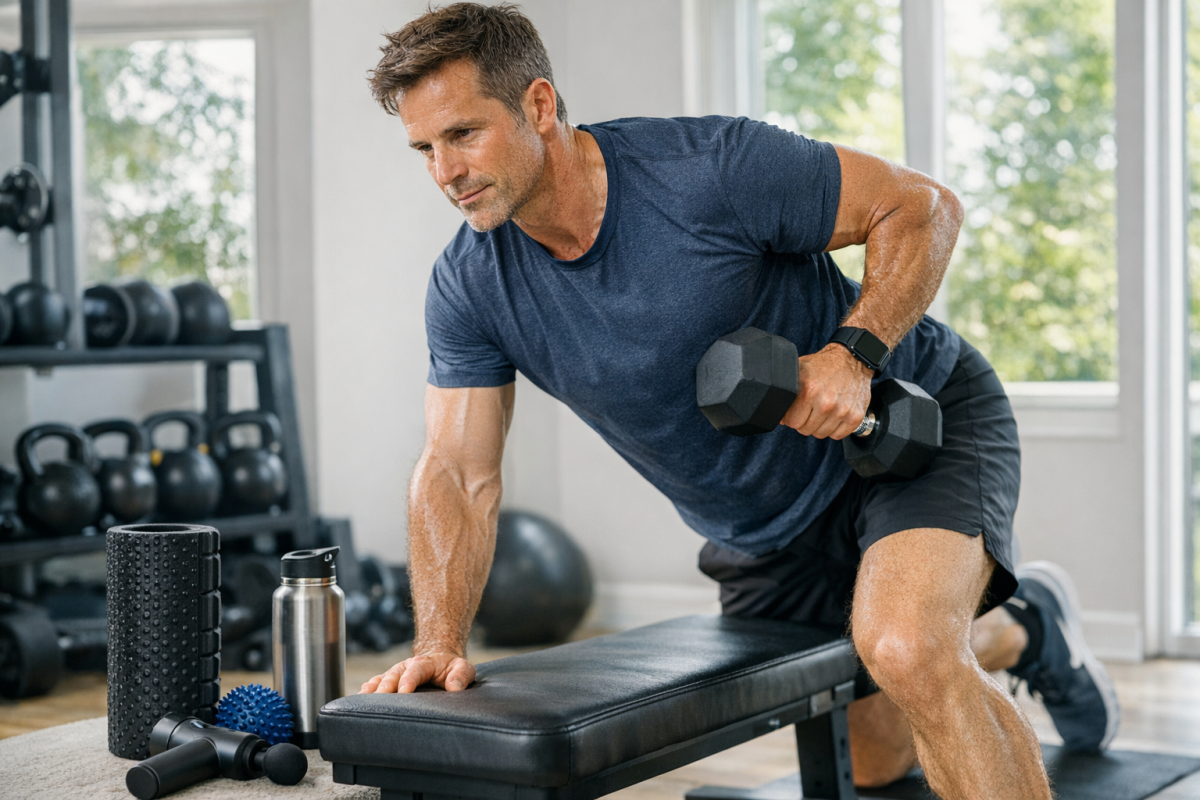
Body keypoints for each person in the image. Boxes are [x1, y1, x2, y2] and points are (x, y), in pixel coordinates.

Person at [356, 4, 1119, 796]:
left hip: (902, 423)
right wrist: (438, 639)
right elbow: (456, 470)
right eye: (425, 148)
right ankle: (1022, 630)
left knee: (906, 649)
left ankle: (944, 641)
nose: (445, 171)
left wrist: (852, 355)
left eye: (463, 135)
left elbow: (922, 208)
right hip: (763, 530)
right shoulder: (471, 288)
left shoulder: (705, 169)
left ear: (539, 107)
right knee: (873, 757)